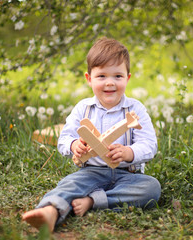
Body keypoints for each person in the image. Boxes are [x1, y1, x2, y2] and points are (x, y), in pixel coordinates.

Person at [22, 37, 161, 232]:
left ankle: (92, 201)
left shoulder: (135, 109)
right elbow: (64, 138)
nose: (110, 83)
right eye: (102, 76)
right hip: (91, 172)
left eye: (117, 76)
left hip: (127, 175)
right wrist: (73, 146)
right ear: (89, 79)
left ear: (128, 78)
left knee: (151, 188)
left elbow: (149, 144)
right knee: (69, 184)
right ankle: (50, 211)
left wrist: (129, 153)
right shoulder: (83, 109)